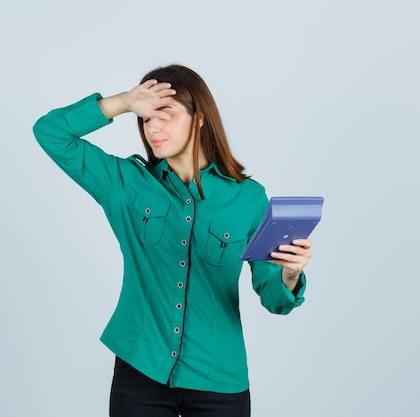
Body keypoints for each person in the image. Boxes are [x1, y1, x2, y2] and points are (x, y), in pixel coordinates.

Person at [33, 64, 313, 417]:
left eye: (165, 114)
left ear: (198, 119)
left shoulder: (248, 198)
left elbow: (274, 298)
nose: (153, 128)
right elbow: (50, 132)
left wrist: (289, 276)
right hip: (141, 370)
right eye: (146, 118)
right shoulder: (125, 185)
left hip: (218, 378)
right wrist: (124, 102)